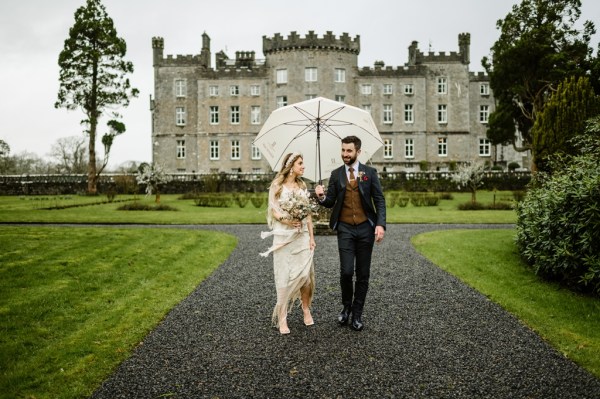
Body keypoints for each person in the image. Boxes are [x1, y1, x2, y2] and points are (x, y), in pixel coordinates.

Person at [315, 135, 386, 331]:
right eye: (343, 150)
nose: (345, 154)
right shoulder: (336, 174)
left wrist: (380, 225)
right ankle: (346, 307)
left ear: (358, 152)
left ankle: (357, 314)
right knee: (346, 272)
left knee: (363, 274)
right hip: (345, 228)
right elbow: (330, 202)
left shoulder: (369, 173)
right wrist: (321, 196)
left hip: (365, 228)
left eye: (349, 151)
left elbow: (379, 200)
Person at [260, 152, 317, 335]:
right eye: (300, 163)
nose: (303, 166)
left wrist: (312, 238)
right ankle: (282, 317)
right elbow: (274, 211)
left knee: (305, 276)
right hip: (284, 236)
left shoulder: (302, 185)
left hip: (302, 236)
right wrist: (287, 220)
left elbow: (307, 214)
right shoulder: (277, 185)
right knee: (284, 276)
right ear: (291, 166)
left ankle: (305, 308)